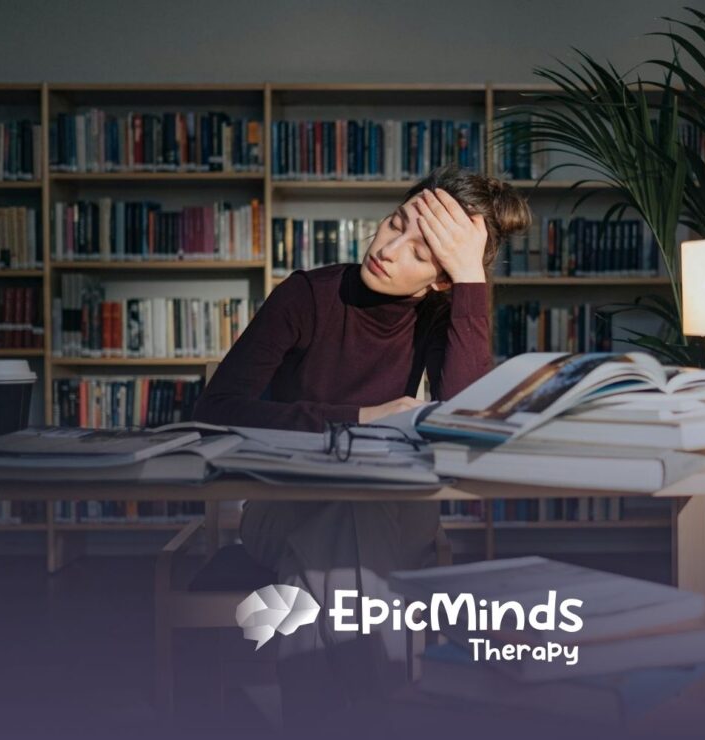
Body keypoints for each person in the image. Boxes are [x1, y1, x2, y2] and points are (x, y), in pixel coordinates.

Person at [191, 163, 531, 729]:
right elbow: (215, 411)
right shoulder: (306, 296)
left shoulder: (441, 311)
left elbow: (467, 421)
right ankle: (387, 714)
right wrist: (358, 419)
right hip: (287, 509)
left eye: (422, 252)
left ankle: (316, 720)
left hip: (392, 510)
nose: (390, 249)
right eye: (396, 223)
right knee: (346, 529)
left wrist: (472, 279)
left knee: (338, 538)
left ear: (442, 279)